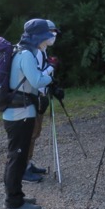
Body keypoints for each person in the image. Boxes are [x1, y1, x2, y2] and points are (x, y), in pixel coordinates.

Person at [2, 19, 56, 209]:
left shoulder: (21, 52)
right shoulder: (26, 55)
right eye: (46, 34)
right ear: (38, 37)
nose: (49, 37)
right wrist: (51, 74)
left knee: (17, 157)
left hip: (19, 113)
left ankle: (16, 197)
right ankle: (13, 203)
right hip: (20, 115)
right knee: (16, 158)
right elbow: (36, 80)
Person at [22, 20, 63, 183]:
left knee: (35, 132)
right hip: (34, 97)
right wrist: (52, 67)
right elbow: (37, 77)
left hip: (39, 96)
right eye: (51, 31)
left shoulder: (42, 50)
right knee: (31, 133)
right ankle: (23, 168)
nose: (53, 35)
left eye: (55, 31)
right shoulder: (36, 52)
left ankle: (28, 163)